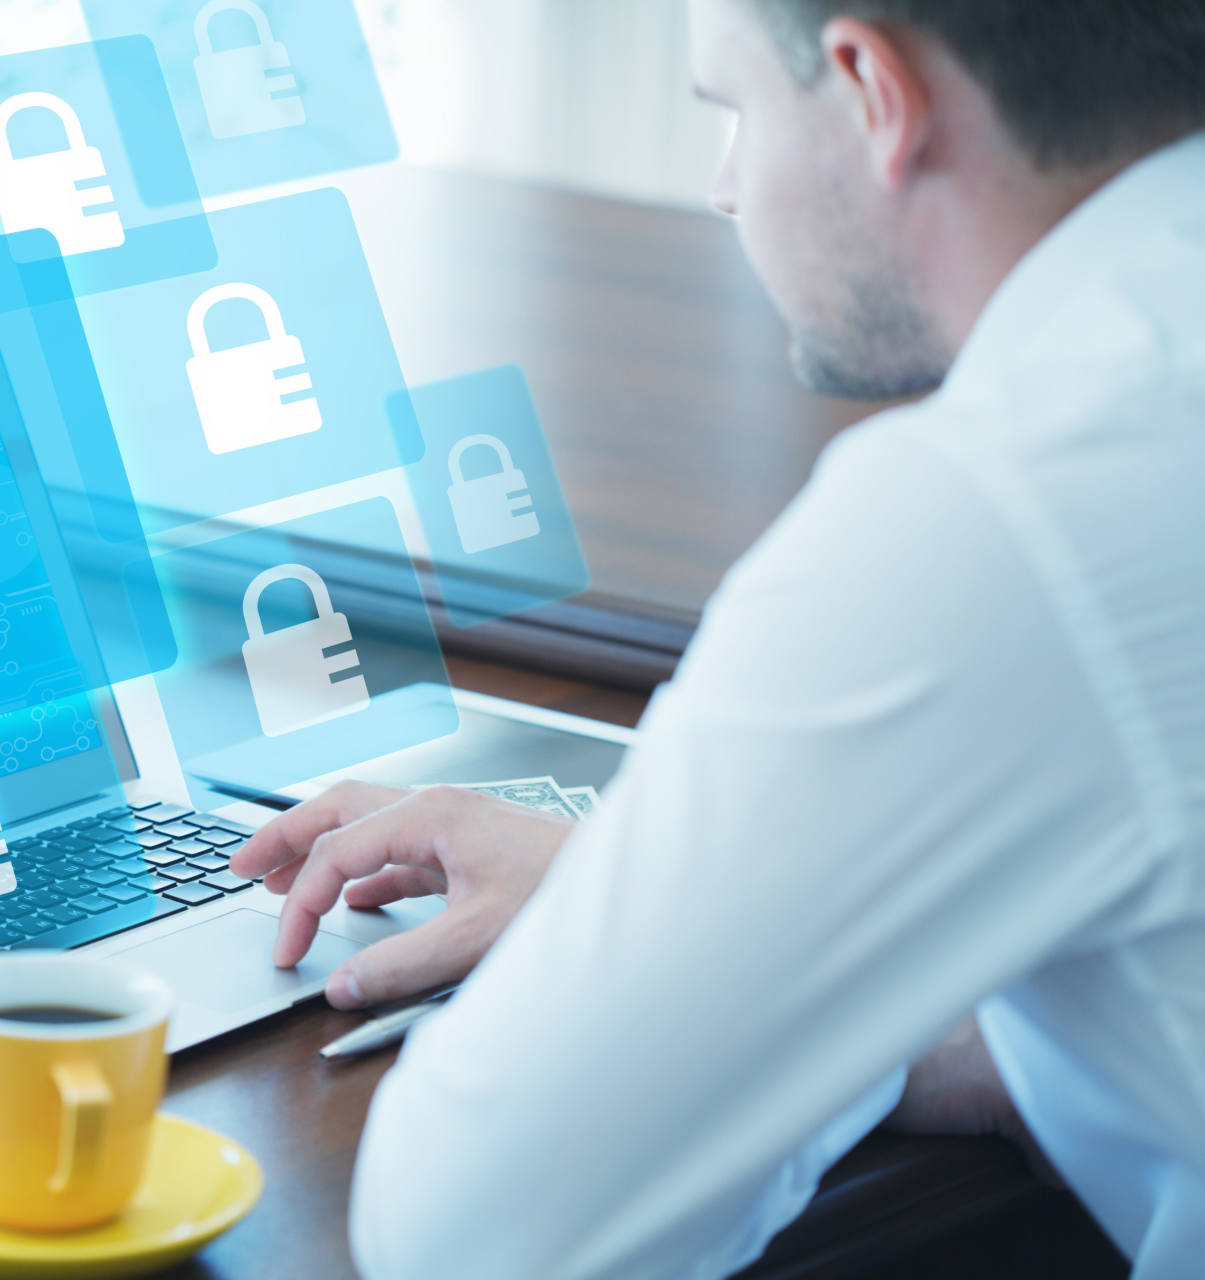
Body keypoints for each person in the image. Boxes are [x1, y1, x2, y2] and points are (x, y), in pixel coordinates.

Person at [229, 1, 1205, 1275]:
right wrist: (669, 910)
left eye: (736, 109)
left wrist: (683, 955)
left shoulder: (998, 507)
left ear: (871, 93)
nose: (728, 187)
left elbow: (477, 1234)